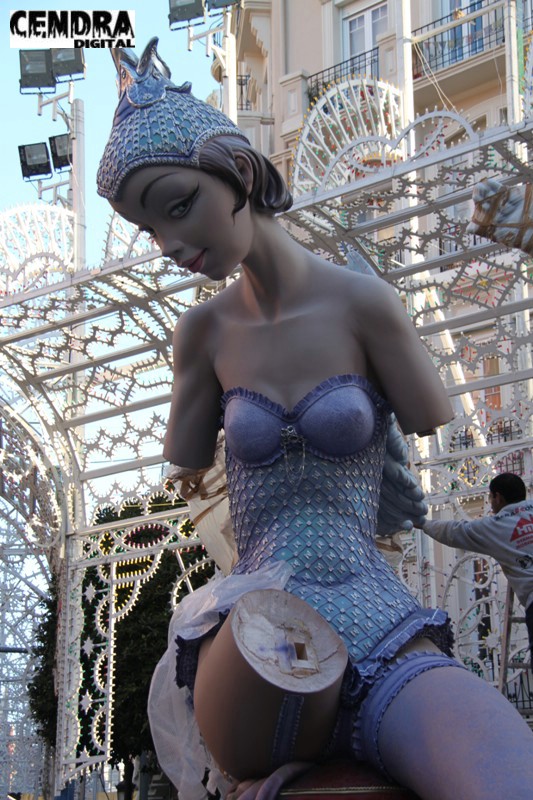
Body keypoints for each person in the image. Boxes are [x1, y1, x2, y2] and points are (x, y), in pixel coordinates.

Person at [97, 38, 533, 800]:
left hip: (378, 621)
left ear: (238, 173)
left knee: (508, 776)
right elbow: (186, 465)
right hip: (256, 639)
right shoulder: (202, 335)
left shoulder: (365, 304)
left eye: (177, 206)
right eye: (148, 229)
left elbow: (430, 417)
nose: (168, 245)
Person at [422, 473, 533, 663]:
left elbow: (455, 531)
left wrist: (422, 523)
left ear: (498, 497)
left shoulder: (495, 526)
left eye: (491, 497)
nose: (490, 503)